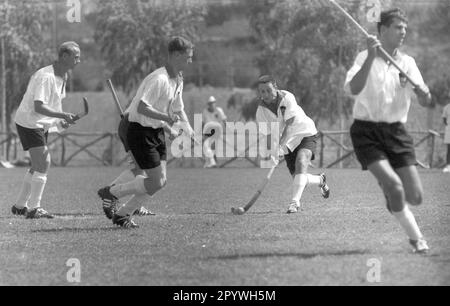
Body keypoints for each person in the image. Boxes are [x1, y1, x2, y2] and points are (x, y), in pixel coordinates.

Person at [344, 9, 432, 253]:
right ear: (381, 30)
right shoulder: (364, 57)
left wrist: (425, 94)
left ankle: (391, 194)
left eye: (405, 28)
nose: (403, 32)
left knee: (415, 197)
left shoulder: (408, 63)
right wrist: (371, 57)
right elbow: (352, 89)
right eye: (397, 27)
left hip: (396, 133)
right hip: (366, 132)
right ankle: (417, 239)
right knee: (394, 187)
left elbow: (426, 100)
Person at [97, 36, 195, 228]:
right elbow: (142, 107)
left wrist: (188, 128)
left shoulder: (178, 79)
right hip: (139, 132)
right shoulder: (159, 79)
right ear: (176, 55)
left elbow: (178, 108)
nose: (191, 61)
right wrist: (167, 119)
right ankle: (113, 194)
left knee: (159, 181)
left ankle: (123, 214)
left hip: (155, 132)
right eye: (188, 57)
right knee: (152, 179)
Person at [12, 41, 81, 219]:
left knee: (38, 165)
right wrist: (63, 115)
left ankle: (20, 206)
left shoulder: (63, 77)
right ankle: (34, 208)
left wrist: (60, 122)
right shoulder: (46, 76)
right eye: (76, 56)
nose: (79, 60)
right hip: (30, 121)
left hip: (40, 123)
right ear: (64, 56)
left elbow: (53, 106)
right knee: (44, 161)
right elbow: (39, 106)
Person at [255, 75, 330, 214]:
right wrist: (272, 151)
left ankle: (294, 203)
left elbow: (289, 127)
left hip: (304, 132)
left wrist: (279, 147)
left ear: (275, 87)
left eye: (268, 90)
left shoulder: (287, 97)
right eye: (262, 91)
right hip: (287, 144)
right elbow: (268, 135)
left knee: (301, 161)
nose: (265, 94)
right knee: (298, 178)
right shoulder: (260, 111)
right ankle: (320, 179)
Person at [202, 96, 227, 168]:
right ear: (208, 104)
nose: (211, 105)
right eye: (210, 103)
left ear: (215, 103)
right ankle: (212, 162)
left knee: (211, 146)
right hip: (208, 132)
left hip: (217, 131)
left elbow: (224, 120)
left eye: (212, 103)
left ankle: (212, 161)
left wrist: (228, 129)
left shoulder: (219, 110)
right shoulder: (205, 111)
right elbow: (203, 123)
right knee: (206, 147)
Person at [442, 98, 450, 173]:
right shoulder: (446, 107)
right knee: (449, 149)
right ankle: (448, 166)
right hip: (449, 130)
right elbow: (444, 119)